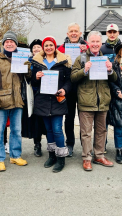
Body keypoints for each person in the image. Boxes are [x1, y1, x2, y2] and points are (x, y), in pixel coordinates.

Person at [71, 31, 117, 171]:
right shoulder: (81, 58)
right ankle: (86, 158)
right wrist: (84, 70)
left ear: (101, 43)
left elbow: (114, 79)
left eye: (98, 42)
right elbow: (73, 77)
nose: (95, 44)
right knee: (86, 132)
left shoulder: (105, 59)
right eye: (93, 42)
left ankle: (99, 155)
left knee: (102, 131)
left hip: (102, 100)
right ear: (88, 43)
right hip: (86, 101)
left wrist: (110, 71)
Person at [30, 36, 72, 173]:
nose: (48, 47)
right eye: (46, 45)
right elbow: (34, 83)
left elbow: (69, 81)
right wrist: (36, 77)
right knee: (48, 130)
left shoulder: (62, 61)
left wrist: (64, 90)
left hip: (57, 100)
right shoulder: (37, 62)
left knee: (57, 129)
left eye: (51, 45)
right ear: (43, 48)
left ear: (55, 46)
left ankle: (61, 158)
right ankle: (52, 155)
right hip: (42, 100)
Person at [0, 30, 28, 172]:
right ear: (3, 44)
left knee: (16, 130)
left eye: (12, 41)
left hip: (18, 100)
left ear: (16, 44)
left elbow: (28, 77)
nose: (9, 43)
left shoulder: (22, 57)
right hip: (1, 100)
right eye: (7, 42)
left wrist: (27, 65)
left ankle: (15, 155)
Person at [57, 23, 88, 156]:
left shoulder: (87, 47)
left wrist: (85, 52)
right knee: (68, 118)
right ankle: (70, 144)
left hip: (84, 87)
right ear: (67, 34)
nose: (74, 33)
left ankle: (85, 146)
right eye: (71, 31)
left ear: (80, 34)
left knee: (84, 119)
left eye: (76, 31)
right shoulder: (60, 49)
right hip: (68, 87)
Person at [21, 39, 47, 157]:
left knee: (45, 121)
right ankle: (37, 144)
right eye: (34, 47)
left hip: (45, 94)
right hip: (32, 94)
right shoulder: (27, 62)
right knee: (35, 121)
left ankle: (51, 144)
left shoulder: (46, 60)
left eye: (38, 47)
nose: (36, 49)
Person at [100, 23, 122, 153]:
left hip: (119, 89)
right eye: (110, 32)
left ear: (118, 33)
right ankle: (103, 145)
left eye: (114, 32)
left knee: (119, 119)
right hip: (105, 88)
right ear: (106, 33)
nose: (112, 34)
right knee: (104, 120)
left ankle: (120, 147)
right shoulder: (102, 49)